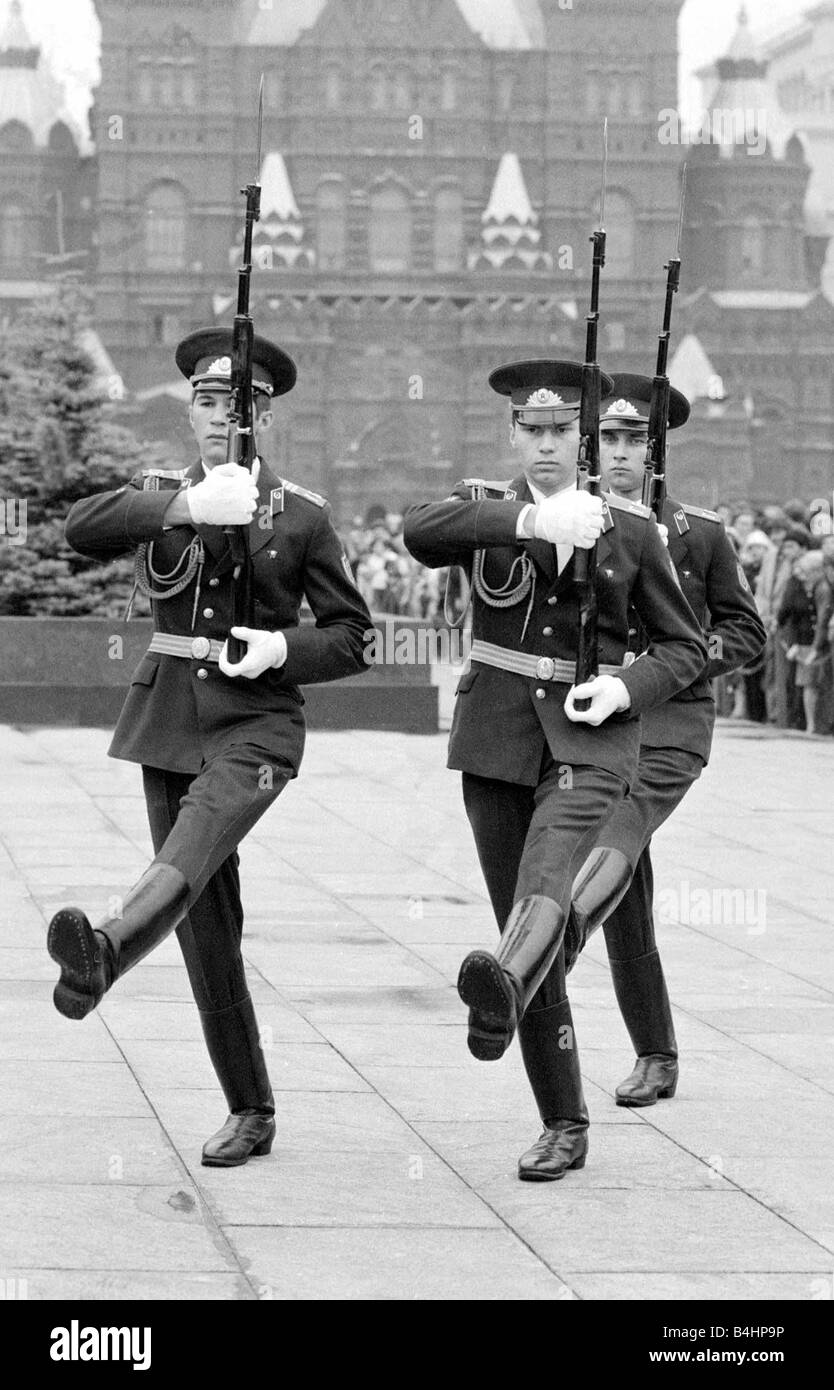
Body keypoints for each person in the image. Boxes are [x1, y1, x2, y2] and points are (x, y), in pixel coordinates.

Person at [48, 328, 372, 1167]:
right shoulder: (161, 492)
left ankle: (111, 947)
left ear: (264, 416)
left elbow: (352, 636)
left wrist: (278, 648)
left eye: (242, 404)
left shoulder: (300, 513)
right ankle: (250, 1107)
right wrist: (186, 508)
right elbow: (80, 526)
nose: (224, 416)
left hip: (257, 721)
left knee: (201, 831)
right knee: (205, 925)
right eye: (210, 401)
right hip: (168, 720)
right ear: (190, 411)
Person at [403, 360, 707, 1181]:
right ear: (512, 436)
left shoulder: (632, 530)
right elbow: (420, 533)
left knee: (547, 882)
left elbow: (686, 646)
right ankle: (563, 1121)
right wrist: (528, 526)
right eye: (530, 431)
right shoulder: (486, 509)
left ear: (582, 440)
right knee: (521, 920)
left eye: (560, 431)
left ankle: (501, 986)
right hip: (497, 743)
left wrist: (624, 684)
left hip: (590, 745)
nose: (545, 444)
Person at [562, 374, 766, 1106]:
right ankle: (657, 1054)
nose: (620, 452)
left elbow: (746, 629)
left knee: (617, 825)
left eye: (634, 440)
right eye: (609, 439)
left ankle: (559, 937)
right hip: (603, 721)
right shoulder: (582, 524)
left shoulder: (700, 534)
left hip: (673, 722)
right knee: (632, 895)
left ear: (657, 450)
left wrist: (673, 664)